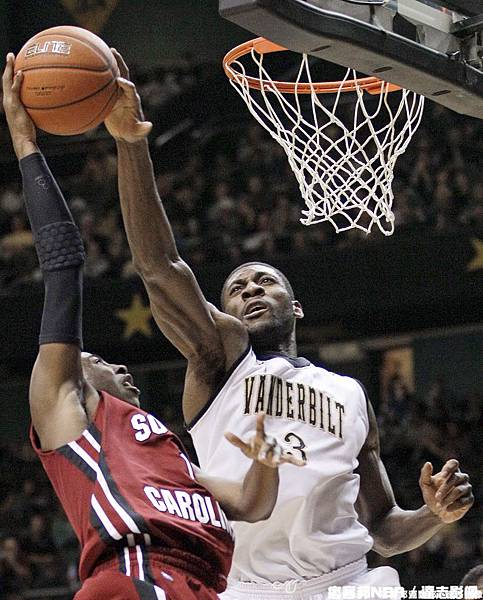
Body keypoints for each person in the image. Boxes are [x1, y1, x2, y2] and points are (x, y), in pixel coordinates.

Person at [105, 49, 476, 598]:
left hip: (351, 583)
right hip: (250, 587)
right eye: (237, 288)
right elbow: (160, 269)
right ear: (223, 313)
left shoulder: (349, 393)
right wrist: (131, 144)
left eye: (265, 282)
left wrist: (435, 515)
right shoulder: (220, 360)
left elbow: (383, 531)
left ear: (296, 307)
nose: (252, 289)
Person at [2, 53, 304, 600]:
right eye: (97, 363)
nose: (118, 364)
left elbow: (253, 504)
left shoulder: (167, 449)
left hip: (198, 586)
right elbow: (65, 262)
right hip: (133, 578)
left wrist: (265, 460)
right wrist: (26, 144)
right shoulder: (68, 412)